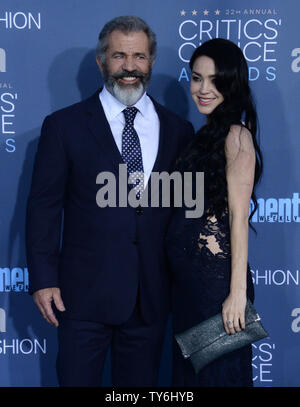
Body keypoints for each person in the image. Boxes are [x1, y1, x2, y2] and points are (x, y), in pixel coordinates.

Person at [26, 15, 194, 387]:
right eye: (119, 56)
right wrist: (43, 279)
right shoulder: (64, 126)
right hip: (80, 297)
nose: (130, 67)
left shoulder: (178, 130)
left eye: (139, 57)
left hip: (149, 297)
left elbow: (185, 211)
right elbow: (44, 208)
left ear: (151, 62)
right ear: (102, 62)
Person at [166, 38, 263, 386]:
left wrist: (236, 294)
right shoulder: (200, 137)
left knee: (219, 378)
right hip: (188, 288)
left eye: (215, 80)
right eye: (196, 78)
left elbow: (238, 218)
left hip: (216, 288)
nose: (203, 89)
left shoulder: (237, 136)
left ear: (231, 84)